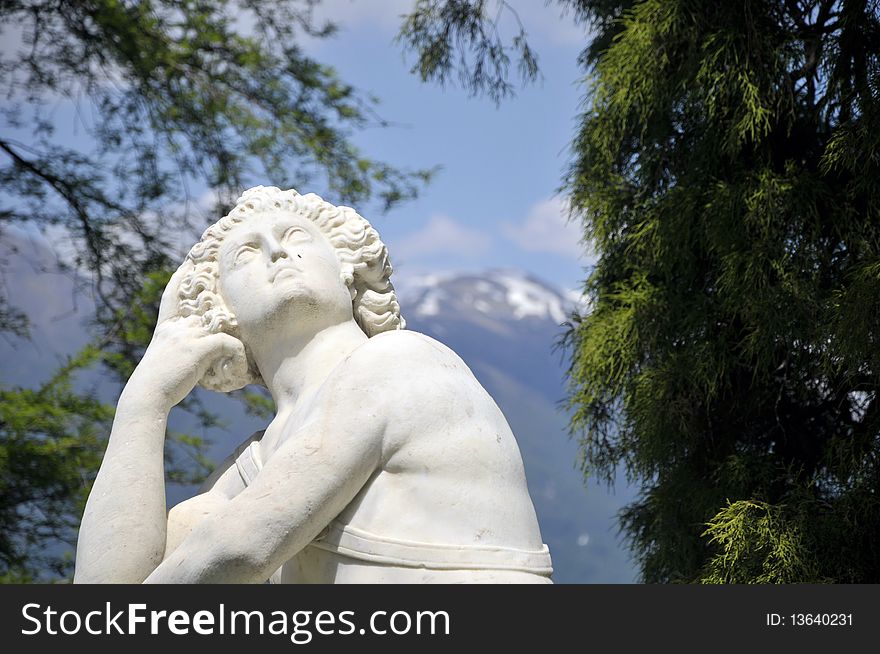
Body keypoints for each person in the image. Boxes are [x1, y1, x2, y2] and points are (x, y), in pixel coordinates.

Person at [74, 186, 552, 583]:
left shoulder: (400, 361)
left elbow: (234, 551)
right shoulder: (249, 468)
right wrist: (144, 401)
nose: (277, 251)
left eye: (295, 235)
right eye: (246, 254)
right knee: (189, 527)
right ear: (224, 309)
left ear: (347, 267)